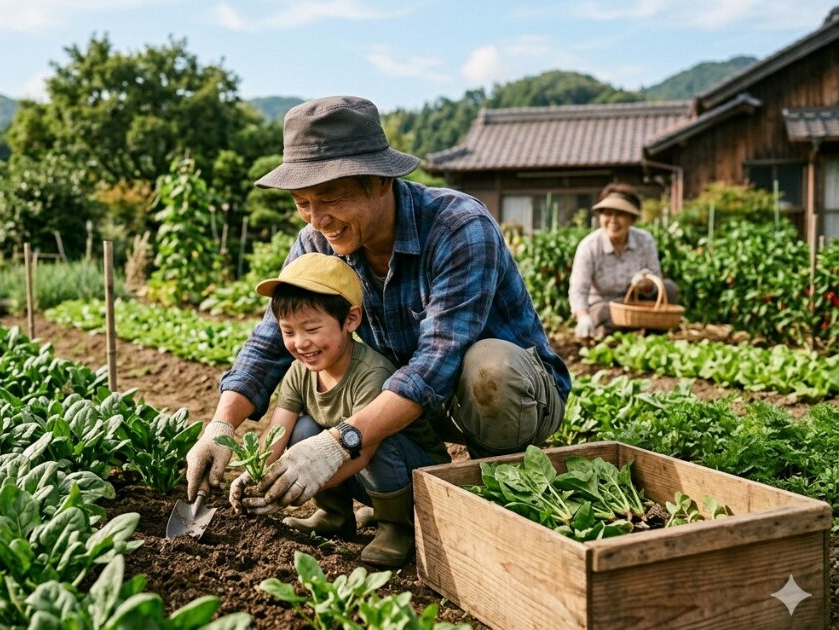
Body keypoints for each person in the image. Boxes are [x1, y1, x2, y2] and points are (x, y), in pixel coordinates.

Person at [185, 95, 570, 568]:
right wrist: (222, 427)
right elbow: (270, 341)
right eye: (303, 203)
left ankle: (502, 487)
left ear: (381, 181)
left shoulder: (457, 225)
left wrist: (340, 442)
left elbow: (437, 363)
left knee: (486, 369)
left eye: (330, 198)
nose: (316, 219)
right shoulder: (317, 241)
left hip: (509, 397)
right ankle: (383, 504)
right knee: (339, 386)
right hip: (420, 399)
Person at [228, 252, 446, 566]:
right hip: (365, 476)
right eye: (288, 332)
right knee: (303, 430)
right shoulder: (300, 372)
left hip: (414, 476)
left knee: (370, 435)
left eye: (312, 329)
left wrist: (293, 488)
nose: (301, 343)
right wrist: (256, 475)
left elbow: (365, 452)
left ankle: (397, 528)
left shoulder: (372, 373)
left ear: (350, 320)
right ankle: (335, 514)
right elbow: (279, 430)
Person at [570, 184, 680, 340]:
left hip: (636, 302)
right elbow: (578, 289)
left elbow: (657, 280)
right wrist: (583, 317)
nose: (613, 220)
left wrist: (646, 284)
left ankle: (651, 337)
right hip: (604, 305)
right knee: (605, 313)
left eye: (620, 214)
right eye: (607, 214)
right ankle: (616, 331)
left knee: (669, 289)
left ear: (632, 218)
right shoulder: (589, 246)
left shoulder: (645, 241)